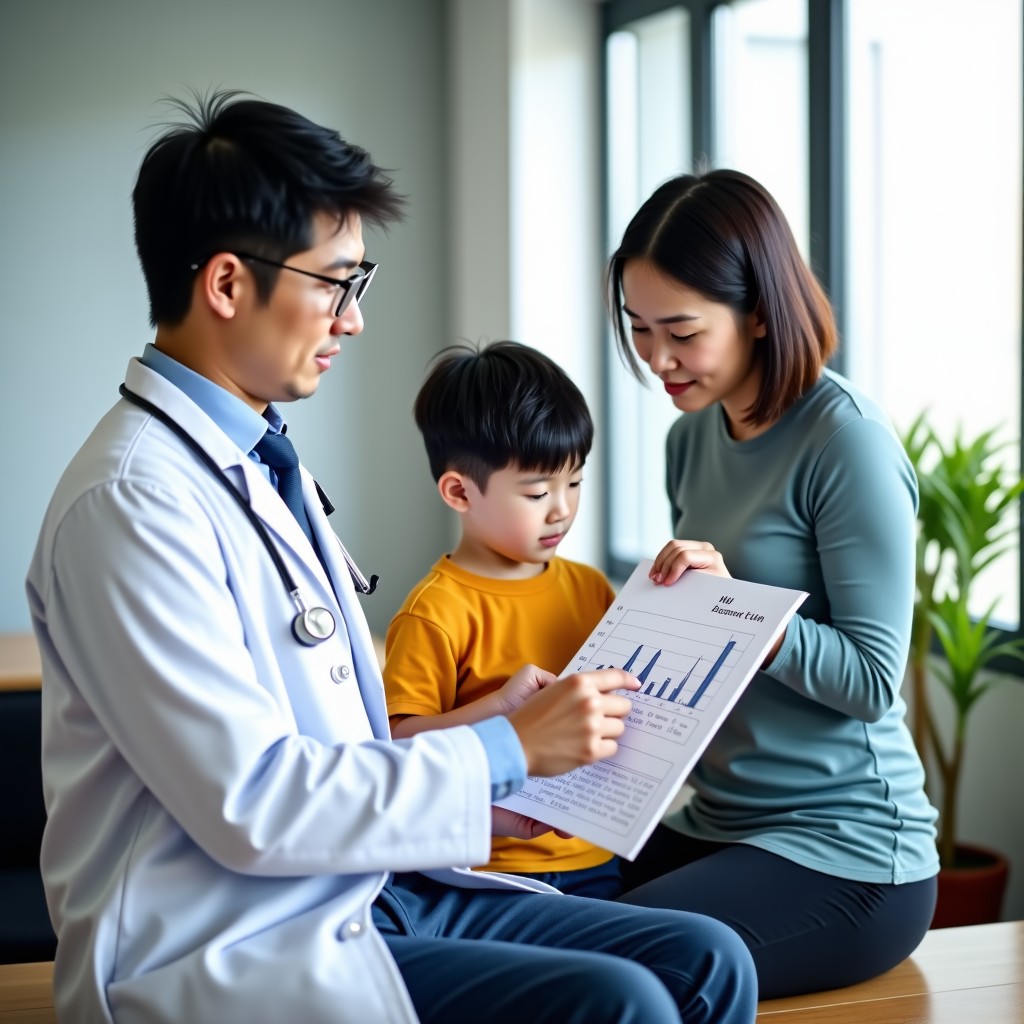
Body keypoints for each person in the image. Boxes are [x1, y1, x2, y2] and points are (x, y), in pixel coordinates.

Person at [25, 90, 758, 1024]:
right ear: (226, 285)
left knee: (708, 960)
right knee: (622, 1005)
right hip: (230, 945)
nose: (353, 320)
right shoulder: (131, 502)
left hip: (366, 887)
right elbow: (251, 803)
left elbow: (336, 749)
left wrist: (497, 765)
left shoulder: (257, 461)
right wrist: (506, 748)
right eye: (337, 283)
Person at [603, 168, 941, 999]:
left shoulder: (845, 441)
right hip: (716, 819)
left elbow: (870, 680)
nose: (656, 359)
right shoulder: (691, 441)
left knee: (613, 970)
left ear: (757, 310)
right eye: (639, 330)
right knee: (516, 905)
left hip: (851, 853)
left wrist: (742, 612)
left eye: (680, 331)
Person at [384, 340, 621, 898]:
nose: (561, 508)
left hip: (599, 854)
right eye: (537, 491)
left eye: (575, 482)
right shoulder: (435, 611)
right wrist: (499, 712)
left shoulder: (590, 588)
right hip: (491, 873)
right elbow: (398, 745)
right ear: (459, 492)